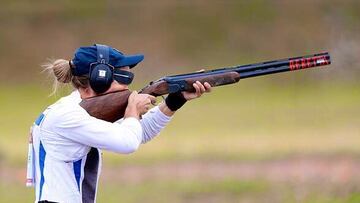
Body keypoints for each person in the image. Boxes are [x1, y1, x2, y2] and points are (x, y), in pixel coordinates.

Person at [26, 44, 211, 203]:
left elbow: (138, 133)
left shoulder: (74, 109)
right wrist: (133, 111)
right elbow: (127, 143)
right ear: (100, 78)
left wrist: (174, 101)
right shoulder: (69, 115)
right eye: (123, 77)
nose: (128, 86)